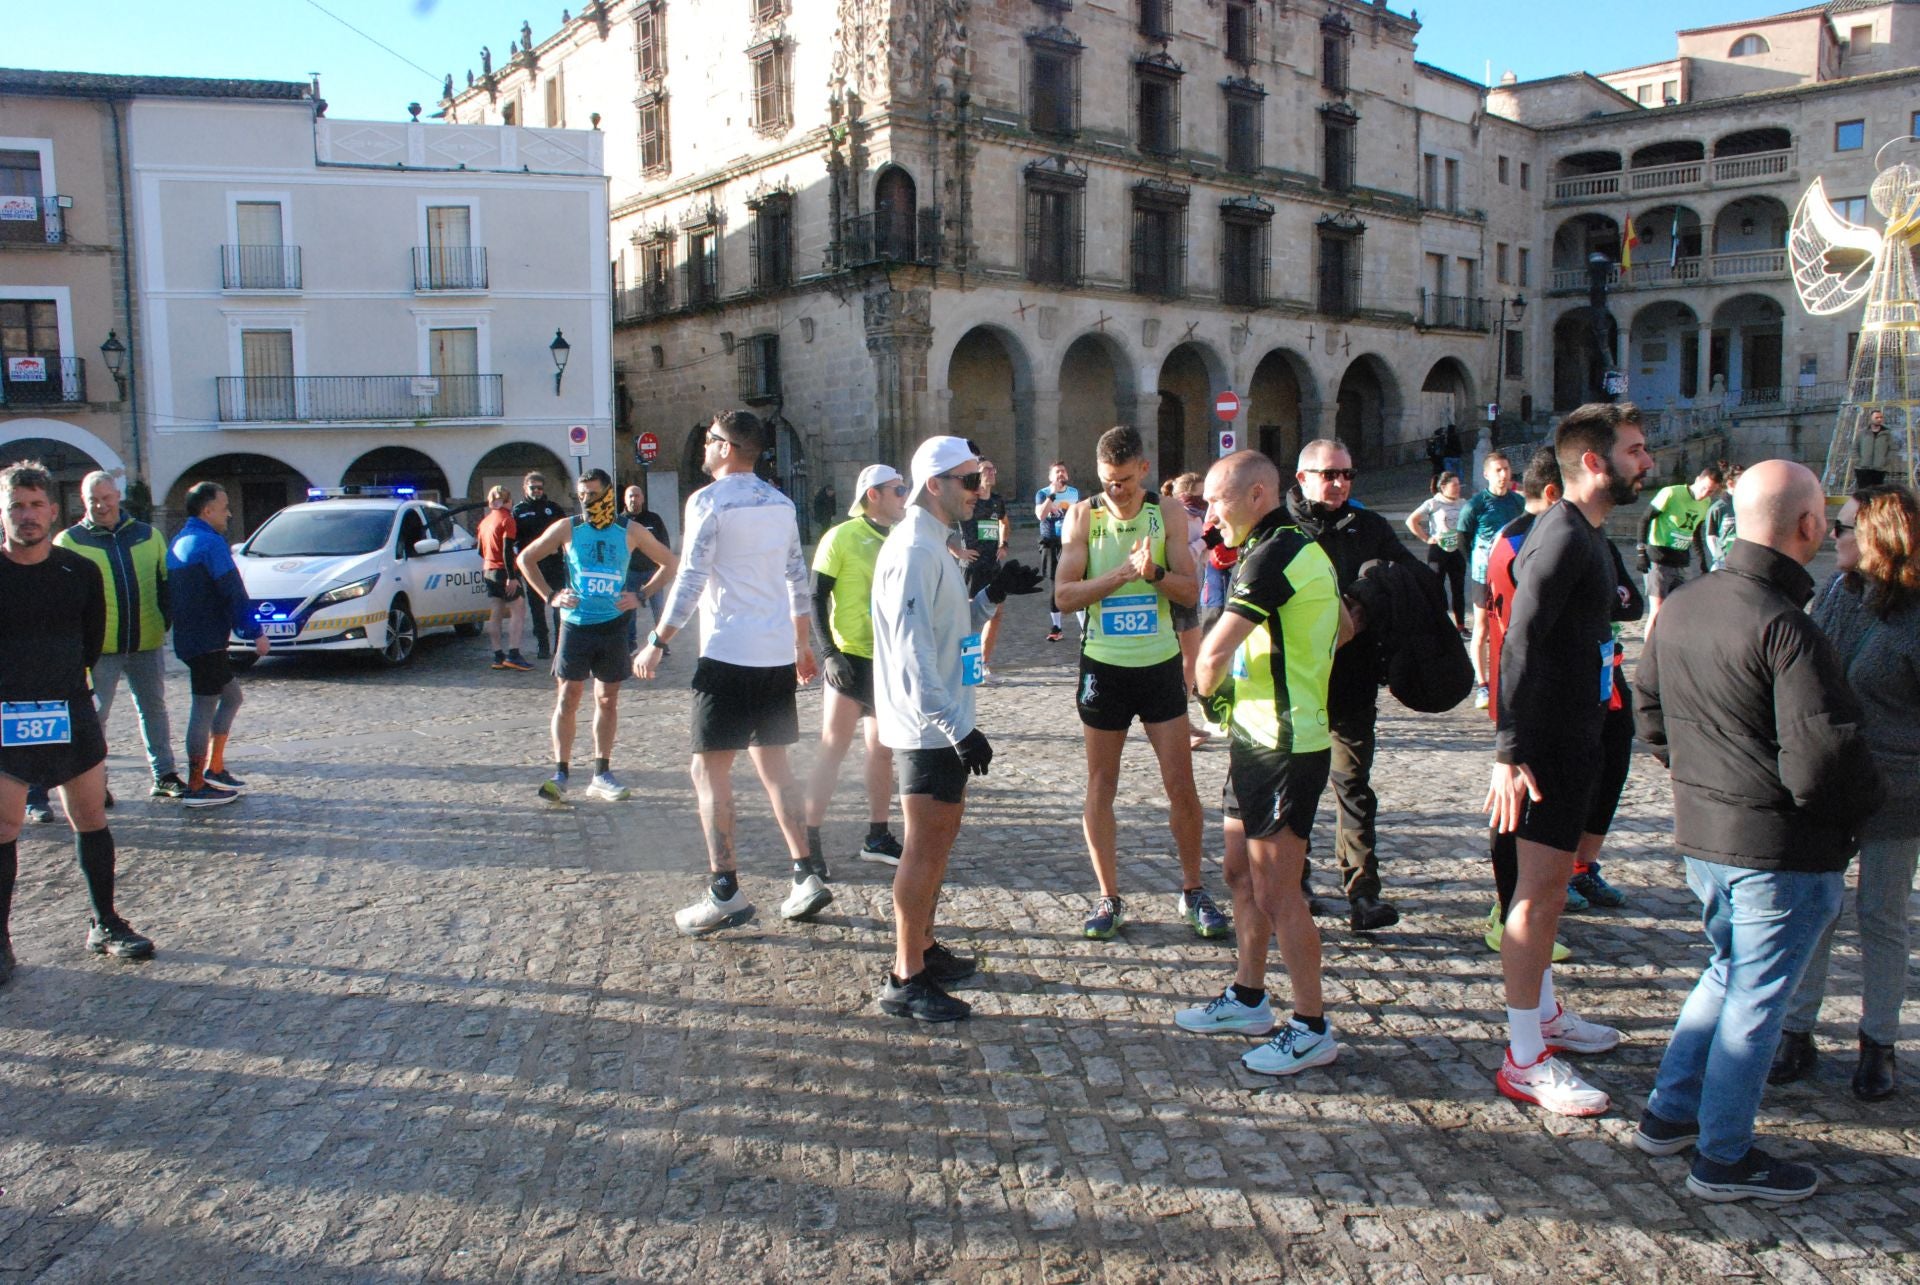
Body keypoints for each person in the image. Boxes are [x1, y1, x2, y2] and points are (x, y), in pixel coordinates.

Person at [1633, 459, 1886, 1204]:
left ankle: (1669, 1113)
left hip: (1709, 834)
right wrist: (1865, 804)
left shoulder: (1682, 604)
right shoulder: (1787, 626)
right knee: (1755, 997)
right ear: (1807, 526)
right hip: (1777, 846)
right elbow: (1824, 758)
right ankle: (1722, 1155)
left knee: (1727, 973)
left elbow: (1652, 714)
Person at [1485, 403, 1654, 1117]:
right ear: (1593, 460)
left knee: (1550, 893)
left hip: (1573, 736)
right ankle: (1524, 1056)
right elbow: (1518, 640)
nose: (1646, 460)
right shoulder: (1561, 535)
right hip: (1544, 747)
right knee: (1536, 895)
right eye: (1636, 449)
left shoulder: (1584, 532)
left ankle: (1546, 1013)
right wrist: (1509, 751)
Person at [1172, 450, 1349, 1074]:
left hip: (1286, 744)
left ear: (1255, 495)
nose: (1208, 516)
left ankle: (1311, 1025)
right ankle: (1249, 996)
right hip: (1256, 737)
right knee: (1238, 874)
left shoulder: (1276, 551)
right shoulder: (1278, 549)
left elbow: (1210, 657)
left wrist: (1209, 691)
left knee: (1280, 891)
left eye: (1216, 503)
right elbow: (1345, 625)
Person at [871, 435, 1042, 1019]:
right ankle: (905, 975)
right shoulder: (915, 551)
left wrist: (993, 594)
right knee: (922, 850)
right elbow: (913, 655)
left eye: (978, 479)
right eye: (969, 481)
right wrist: (956, 729)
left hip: (942, 720)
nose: (980, 490)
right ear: (935, 484)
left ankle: (921, 946)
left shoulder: (937, 546)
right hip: (927, 727)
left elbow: (954, 631)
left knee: (937, 844)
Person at [633, 410, 822, 932]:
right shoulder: (782, 505)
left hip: (728, 653)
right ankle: (806, 873)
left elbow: (691, 578)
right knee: (776, 768)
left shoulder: (708, 502)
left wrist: (656, 639)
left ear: (729, 447)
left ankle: (725, 891)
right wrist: (803, 645)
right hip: (775, 654)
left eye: (710, 440)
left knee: (708, 771)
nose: (704, 448)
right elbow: (796, 578)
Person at [1774, 484, 1920, 1101]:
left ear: (1877, 537)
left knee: (1881, 916)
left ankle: (1878, 1042)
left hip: (1899, 787)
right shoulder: (1838, 592)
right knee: (1819, 908)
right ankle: (1798, 1031)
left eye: (1844, 527)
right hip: (1831, 780)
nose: (1833, 536)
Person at [1054, 426, 1222, 941]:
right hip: (1104, 669)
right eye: (1108, 481)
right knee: (1101, 786)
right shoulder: (1084, 515)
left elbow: (1190, 590)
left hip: (1158, 668)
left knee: (1181, 784)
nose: (1116, 490)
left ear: (1144, 471)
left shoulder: (1166, 512)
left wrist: (1152, 575)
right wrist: (1120, 577)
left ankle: (1193, 889)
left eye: (1124, 480)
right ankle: (1109, 897)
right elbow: (1063, 596)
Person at [1482, 445, 1641, 954]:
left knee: (1600, 783)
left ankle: (1569, 874)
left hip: (1596, 687)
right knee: (1523, 805)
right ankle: (1509, 907)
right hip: (1536, 693)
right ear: (1557, 492)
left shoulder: (1582, 536)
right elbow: (1517, 627)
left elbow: (1629, 601)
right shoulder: (1534, 539)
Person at [0, 460, 154, 984]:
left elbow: (92, 643)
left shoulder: (78, 571)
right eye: (16, 506)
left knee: (90, 818)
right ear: (3, 512)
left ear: (52, 510)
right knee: (4, 828)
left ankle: (105, 924)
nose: (27, 516)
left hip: (70, 710)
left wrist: (64, 690)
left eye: (36, 505)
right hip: (4, 719)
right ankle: (1, 942)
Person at [1284, 438, 1418, 932]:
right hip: (1297, 683)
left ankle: (1363, 892)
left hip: (1354, 680)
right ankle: (1293, 881)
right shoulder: (1281, 531)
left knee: (1353, 787)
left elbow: (1409, 576)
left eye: (1347, 474)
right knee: (1298, 787)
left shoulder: (1371, 527)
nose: (1339, 483)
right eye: (1329, 474)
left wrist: (1364, 596)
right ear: (1303, 478)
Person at [518, 468, 676, 805]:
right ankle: (560, 773)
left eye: (592, 494)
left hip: (613, 626)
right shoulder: (568, 528)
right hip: (575, 625)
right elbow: (525, 558)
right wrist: (550, 596)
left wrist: (641, 594)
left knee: (607, 699)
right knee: (568, 698)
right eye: (581, 494)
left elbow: (670, 563)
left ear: (608, 494)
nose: (586, 500)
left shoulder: (628, 530)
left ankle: (602, 773)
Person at [46, 471, 187, 806]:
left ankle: (164, 774)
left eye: (107, 498)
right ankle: (95, 782)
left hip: (145, 642)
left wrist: (163, 622)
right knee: (95, 718)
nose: (101, 505)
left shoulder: (148, 535)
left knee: (154, 709)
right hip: (97, 649)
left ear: (117, 497)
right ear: (83, 501)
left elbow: (166, 582)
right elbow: (60, 598)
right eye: (93, 500)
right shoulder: (68, 541)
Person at [804, 464, 907, 872]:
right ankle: (809, 842)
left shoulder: (902, 538)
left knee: (881, 751)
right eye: (898, 490)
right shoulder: (840, 536)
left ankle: (877, 836)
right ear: (873, 495)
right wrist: (828, 652)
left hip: (887, 658)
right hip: (850, 658)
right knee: (832, 749)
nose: (904, 496)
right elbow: (815, 597)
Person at [168, 482, 263, 808]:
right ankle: (196, 784)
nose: (229, 513)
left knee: (232, 697)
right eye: (224, 507)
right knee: (203, 707)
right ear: (207, 511)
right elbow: (232, 590)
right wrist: (254, 632)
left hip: (194, 639)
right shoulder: (210, 544)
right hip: (206, 641)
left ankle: (216, 767)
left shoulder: (181, 540)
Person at [1458, 451, 1525, 710]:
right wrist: (1477, 563)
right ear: (1486, 474)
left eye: (1506, 469)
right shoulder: (1476, 504)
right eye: (1498, 470)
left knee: (1513, 626)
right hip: (1483, 574)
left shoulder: (1517, 502)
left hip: (1513, 573)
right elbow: (1464, 536)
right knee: (1483, 626)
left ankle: (1510, 678)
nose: (1504, 474)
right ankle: (1483, 685)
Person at [1637, 464, 1724, 633]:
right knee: (1658, 608)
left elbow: (1696, 532)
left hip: (1681, 559)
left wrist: (1702, 562)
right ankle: (1649, 652)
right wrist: (1641, 551)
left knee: (1678, 609)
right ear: (1697, 480)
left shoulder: (1705, 502)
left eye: (1711, 491)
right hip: (1659, 556)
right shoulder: (1671, 493)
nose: (1705, 494)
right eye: (1704, 488)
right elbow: (1644, 519)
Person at [1164, 473, 1212, 748]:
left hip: (1192, 590)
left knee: (1190, 658)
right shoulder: (1178, 516)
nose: (1201, 502)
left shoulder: (1198, 516)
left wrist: (1211, 542)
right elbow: (1179, 557)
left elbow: (1203, 557)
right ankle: (1177, 723)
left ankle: (1181, 719)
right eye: (1197, 496)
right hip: (1176, 592)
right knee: (1185, 659)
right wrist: (1206, 541)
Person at [958, 459, 1010, 673]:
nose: (991, 472)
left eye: (993, 468)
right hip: (972, 567)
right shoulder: (968, 499)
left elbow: (1004, 523)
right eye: (986, 469)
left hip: (992, 565)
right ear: (977, 474)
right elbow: (945, 527)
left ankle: (984, 662)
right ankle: (969, 666)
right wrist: (958, 551)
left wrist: (1003, 543)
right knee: (971, 618)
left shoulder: (997, 501)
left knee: (996, 615)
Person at [511, 471, 567, 660]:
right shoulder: (518, 511)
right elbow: (514, 541)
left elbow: (567, 534)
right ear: (525, 488)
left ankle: (560, 644)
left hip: (555, 564)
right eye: (532, 487)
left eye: (539, 488)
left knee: (560, 604)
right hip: (534, 566)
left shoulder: (554, 508)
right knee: (537, 607)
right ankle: (542, 644)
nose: (536, 491)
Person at [477, 486, 533, 672]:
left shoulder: (484, 522)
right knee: (518, 609)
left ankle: (497, 655)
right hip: (504, 570)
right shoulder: (507, 520)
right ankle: (514, 654)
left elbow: (479, 551)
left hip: (488, 570)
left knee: (496, 612)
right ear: (508, 500)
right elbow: (507, 551)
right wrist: (512, 576)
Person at [1407, 472, 1467, 633]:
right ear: (1443, 487)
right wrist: (1427, 538)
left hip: (1457, 551)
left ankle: (1461, 625)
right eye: (1454, 485)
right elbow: (1411, 520)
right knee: (1436, 588)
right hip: (1438, 551)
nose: (1457, 489)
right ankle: (1438, 624)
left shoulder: (1463, 503)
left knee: (1458, 588)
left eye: (1458, 485)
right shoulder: (1433, 503)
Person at [622, 481, 673, 651]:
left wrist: (663, 565)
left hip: (652, 571)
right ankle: (630, 644)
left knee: (659, 609)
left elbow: (664, 542)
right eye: (630, 496)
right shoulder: (619, 522)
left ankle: (661, 642)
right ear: (625, 499)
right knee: (629, 610)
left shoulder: (653, 519)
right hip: (630, 572)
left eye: (637, 496)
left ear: (642, 498)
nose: (633, 499)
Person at [1033, 461, 1080, 642]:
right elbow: (1040, 515)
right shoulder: (1043, 493)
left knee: (1077, 581)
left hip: (1071, 542)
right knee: (1055, 584)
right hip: (1050, 542)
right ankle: (1056, 627)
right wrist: (1052, 496)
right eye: (1057, 472)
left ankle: (1084, 627)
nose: (1061, 474)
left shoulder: (1074, 493)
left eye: (1064, 471)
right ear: (1050, 477)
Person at [1701, 462, 1741, 573]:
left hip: (1743, 560)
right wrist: (1718, 557)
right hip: (1724, 561)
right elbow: (1711, 536)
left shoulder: (1749, 505)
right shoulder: (1718, 508)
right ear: (1731, 484)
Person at [1854, 409, 1898, 487]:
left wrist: (1886, 461)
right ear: (1871, 418)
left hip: (1879, 469)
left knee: (1876, 493)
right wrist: (1858, 460)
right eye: (1876, 417)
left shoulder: (1887, 434)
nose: (1879, 419)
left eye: (1881, 417)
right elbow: (1854, 447)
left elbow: (1893, 449)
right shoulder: (1863, 433)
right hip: (1862, 468)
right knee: (1863, 493)